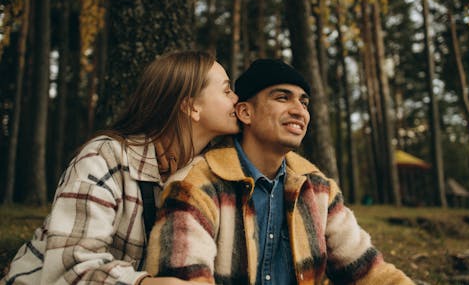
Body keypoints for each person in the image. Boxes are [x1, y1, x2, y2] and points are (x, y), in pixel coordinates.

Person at [146, 58, 414, 284]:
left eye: (304, 102)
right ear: (245, 112)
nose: (299, 111)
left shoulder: (319, 188)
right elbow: (183, 277)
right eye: (282, 97)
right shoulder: (197, 185)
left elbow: (369, 270)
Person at [1, 51, 239, 285]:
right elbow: (71, 268)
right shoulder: (104, 158)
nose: (236, 99)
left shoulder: (205, 175)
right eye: (227, 90)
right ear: (191, 107)